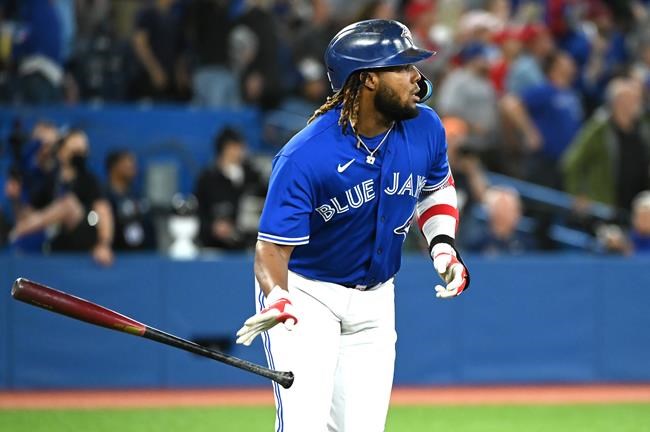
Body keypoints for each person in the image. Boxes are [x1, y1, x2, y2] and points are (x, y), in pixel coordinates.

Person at [235, 20, 470, 432]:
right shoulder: (305, 156)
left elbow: (436, 189)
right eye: (403, 67)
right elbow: (271, 248)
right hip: (307, 296)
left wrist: (443, 247)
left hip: (376, 299)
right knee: (304, 425)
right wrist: (276, 296)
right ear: (368, 80)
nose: (418, 78)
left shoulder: (426, 127)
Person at [9, 129, 114, 266]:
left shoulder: (88, 180)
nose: (79, 156)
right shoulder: (51, 179)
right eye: (74, 151)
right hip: (57, 239)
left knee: (68, 203)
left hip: (83, 234)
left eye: (82, 152)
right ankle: (17, 234)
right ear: (61, 151)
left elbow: (103, 211)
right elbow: (30, 213)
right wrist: (15, 199)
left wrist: (104, 245)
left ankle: (15, 232)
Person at [194, 127, 265, 250]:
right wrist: (213, 227)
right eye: (234, 147)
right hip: (215, 247)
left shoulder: (253, 176)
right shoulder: (207, 179)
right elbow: (199, 212)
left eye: (241, 146)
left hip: (250, 246)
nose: (240, 151)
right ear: (224, 149)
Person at [104, 150, 156, 251]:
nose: (133, 168)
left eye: (134, 164)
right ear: (114, 167)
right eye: (128, 164)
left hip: (143, 256)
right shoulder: (104, 197)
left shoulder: (139, 197)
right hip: (114, 255)